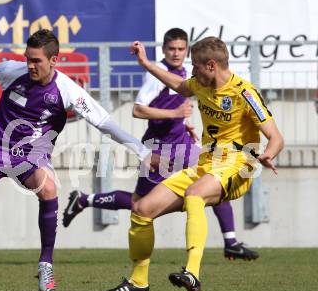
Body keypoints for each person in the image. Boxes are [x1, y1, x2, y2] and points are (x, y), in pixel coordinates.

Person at [0, 29, 152, 291]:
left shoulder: (68, 90)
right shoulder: (12, 71)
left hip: (32, 155)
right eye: (28, 58)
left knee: (49, 188)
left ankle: (46, 263)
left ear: (54, 60)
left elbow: (103, 122)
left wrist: (142, 152)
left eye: (37, 60)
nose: (30, 65)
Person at [101, 36, 284, 291]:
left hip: (238, 166)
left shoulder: (245, 92)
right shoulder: (200, 85)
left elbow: (276, 137)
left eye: (195, 66)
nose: (192, 71)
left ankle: (193, 273)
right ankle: (138, 282)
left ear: (211, 65)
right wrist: (145, 63)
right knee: (141, 209)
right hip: (206, 165)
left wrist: (268, 154)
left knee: (195, 194)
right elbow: (178, 85)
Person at [63, 28, 259, 261]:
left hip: (183, 144)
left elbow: (180, 101)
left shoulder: (188, 72)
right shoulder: (157, 75)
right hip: (160, 149)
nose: (176, 53)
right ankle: (85, 199)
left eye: (181, 49)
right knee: (140, 204)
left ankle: (231, 241)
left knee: (216, 177)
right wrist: (174, 113)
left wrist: (184, 122)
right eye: (171, 49)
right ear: (164, 50)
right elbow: (138, 109)